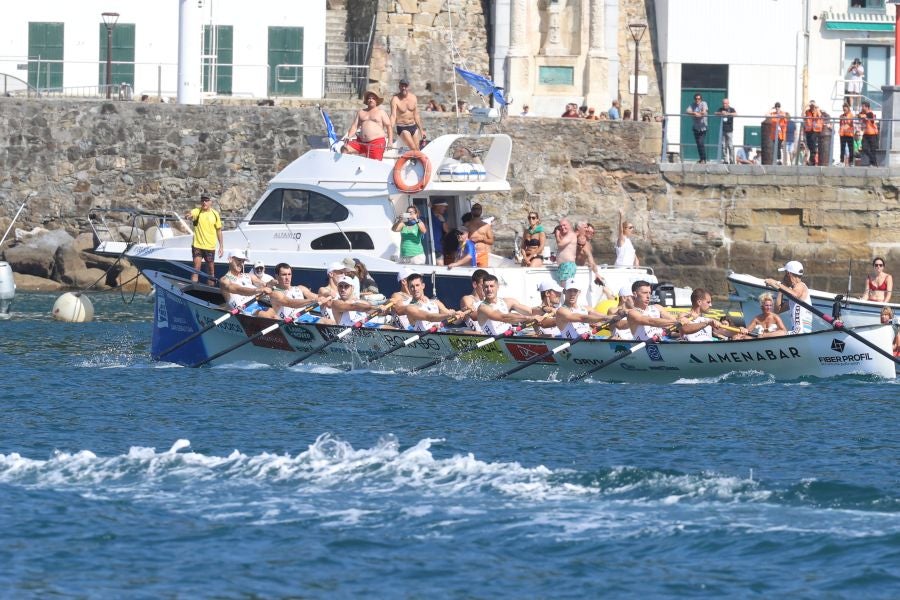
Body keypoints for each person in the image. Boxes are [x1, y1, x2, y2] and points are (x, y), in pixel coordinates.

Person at [258, 262, 325, 322]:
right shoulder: (275, 293)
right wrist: (313, 300)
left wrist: (326, 297)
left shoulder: (300, 288)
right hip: (292, 324)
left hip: (307, 319)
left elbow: (317, 297)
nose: (287, 278)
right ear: (277, 276)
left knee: (329, 322)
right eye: (284, 275)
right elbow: (290, 303)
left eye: (289, 274)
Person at [674, 288, 746, 341]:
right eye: (708, 302)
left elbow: (725, 332)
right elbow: (686, 329)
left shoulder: (708, 320)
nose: (711, 305)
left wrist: (738, 330)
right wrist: (706, 323)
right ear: (699, 302)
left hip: (709, 349)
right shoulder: (683, 316)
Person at [764, 260, 813, 334]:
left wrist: (776, 283)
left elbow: (795, 294)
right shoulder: (795, 298)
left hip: (800, 332)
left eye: (785, 273)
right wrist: (781, 290)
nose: (783, 277)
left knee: (772, 334)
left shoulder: (801, 285)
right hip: (796, 332)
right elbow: (777, 310)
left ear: (788, 274)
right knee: (768, 333)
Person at [341, 90, 392, 160]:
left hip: (376, 142)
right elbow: (355, 126)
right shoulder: (361, 112)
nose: (371, 100)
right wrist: (348, 136)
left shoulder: (381, 112)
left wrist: (390, 141)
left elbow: (389, 126)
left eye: (373, 98)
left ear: (376, 100)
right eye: (369, 98)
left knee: (374, 163)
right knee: (344, 148)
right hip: (361, 142)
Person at [184, 194, 223, 283]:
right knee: (196, 269)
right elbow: (190, 214)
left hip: (210, 247)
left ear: (210, 202)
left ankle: (210, 289)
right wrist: (188, 216)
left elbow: (219, 231)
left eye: (206, 200)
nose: (204, 202)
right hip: (197, 246)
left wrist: (221, 246)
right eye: (202, 201)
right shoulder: (197, 211)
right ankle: (194, 288)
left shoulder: (215, 214)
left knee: (211, 271)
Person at [218, 249, 270, 314]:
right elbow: (239, 289)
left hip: (256, 307)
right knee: (268, 315)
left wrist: (273, 283)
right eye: (239, 260)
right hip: (244, 311)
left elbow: (264, 284)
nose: (241, 264)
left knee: (273, 312)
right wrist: (258, 290)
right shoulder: (224, 280)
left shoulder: (248, 276)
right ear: (230, 259)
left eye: (243, 261)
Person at [574, 222, 614, 298]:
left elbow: (591, 261)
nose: (591, 234)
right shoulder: (576, 241)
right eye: (588, 232)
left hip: (584, 269)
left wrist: (596, 273)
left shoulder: (587, 245)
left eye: (593, 233)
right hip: (576, 270)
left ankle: (608, 293)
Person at [391, 78, 426, 151]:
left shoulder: (413, 97)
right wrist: (389, 130)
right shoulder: (395, 99)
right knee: (413, 148)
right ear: (399, 86)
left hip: (413, 126)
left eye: (405, 86)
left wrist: (421, 130)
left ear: (408, 87)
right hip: (402, 127)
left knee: (417, 149)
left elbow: (416, 115)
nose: (404, 88)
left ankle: (415, 158)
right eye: (402, 86)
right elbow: (393, 116)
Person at [466, 203, 494, 267]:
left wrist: (482, 239)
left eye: (478, 209)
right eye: (474, 208)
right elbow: (462, 239)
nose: (476, 210)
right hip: (470, 254)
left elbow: (491, 241)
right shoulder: (467, 225)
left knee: (482, 273)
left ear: (481, 211)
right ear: (471, 211)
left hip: (482, 254)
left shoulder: (486, 226)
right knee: (470, 272)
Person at [686, 93, 709, 163]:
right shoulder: (692, 105)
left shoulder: (703, 103)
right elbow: (687, 111)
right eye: (696, 99)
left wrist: (699, 114)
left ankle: (704, 159)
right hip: (696, 127)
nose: (697, 100)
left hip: (703, 127)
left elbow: (704, 111)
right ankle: (701, 159)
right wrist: (694, 113)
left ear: (701, 99)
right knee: (698, 144)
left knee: (701, 142)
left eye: (699, 99)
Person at [553, 218, 578, 282]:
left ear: (569, 225)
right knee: (563, 285)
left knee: (566, 285)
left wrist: (557, 235)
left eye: (564, 225)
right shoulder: (566, 236)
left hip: (568, 265)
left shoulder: (571, 234)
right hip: (562, 266)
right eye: (561, 226)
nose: (562, 227)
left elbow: (560, 244)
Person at [715, 98, 737, 164]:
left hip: (729, 130)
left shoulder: (731, 109)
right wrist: (721, 113)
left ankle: (731, 160)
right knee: (723, 145)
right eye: (723, 103)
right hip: (723, 130)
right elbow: (715, 113)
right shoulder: (721, 109)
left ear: (728, 103)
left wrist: (728, 114)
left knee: (730, 145)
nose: (724, 105)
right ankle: (725, 160)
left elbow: (736, 114)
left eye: (726, 103)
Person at [803, 100, 823, 166]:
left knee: (813, 145)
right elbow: (802, 115)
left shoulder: (817, 111)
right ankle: (812, 160)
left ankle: (812, 161)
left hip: (815, 130)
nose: (812, 107)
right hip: (808, 130)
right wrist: (806, 106)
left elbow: (820, 116)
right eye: (811, 106)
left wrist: (817, 108)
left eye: (813, 106)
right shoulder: (807, 111)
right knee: (809, 145)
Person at [858, 101, 878, 167]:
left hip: (873, 133)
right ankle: (873, 161)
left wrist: (860, 115)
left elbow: (865, 116)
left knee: (872, 149)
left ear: (867, 107)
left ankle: (873, 163)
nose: (862, 108)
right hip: (866, 133)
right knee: (864, 148)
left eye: (863, 106)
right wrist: (859, 115)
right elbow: (859, 115)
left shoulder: (870, 113)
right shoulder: (863, 113)